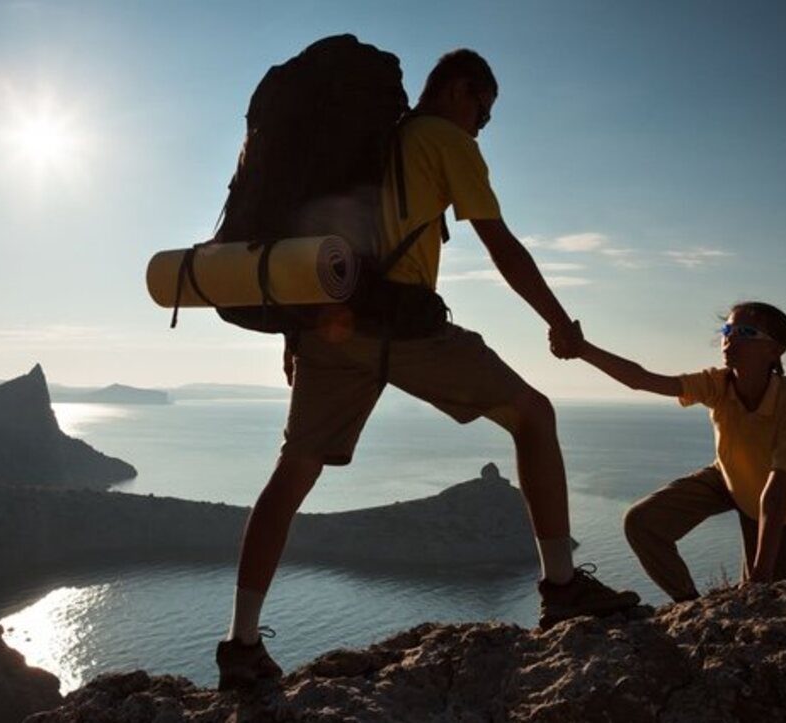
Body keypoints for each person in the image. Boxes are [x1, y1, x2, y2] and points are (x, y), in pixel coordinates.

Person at [215, 48, 640, 692]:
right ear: (460, 90)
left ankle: (240, 646)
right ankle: (561, 586)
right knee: (534, 415)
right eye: (484, 111)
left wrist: (297, 333)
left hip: (332, 327)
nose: (482, 126)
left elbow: (326, 233)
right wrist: (560, 320)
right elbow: (500, 242)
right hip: (406, 328)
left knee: (292, 473)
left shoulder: (368, 144)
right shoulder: (444, 138)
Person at [561, 301, 786, 603]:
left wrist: (760, 576)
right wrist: (583, 349)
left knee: (772, 598)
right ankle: (691, 605)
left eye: (745, 332)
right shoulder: (718, 383)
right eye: (727, 329)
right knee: (642, 522)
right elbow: (642, 380)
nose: (730, 338)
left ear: (774, 350)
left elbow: (776, 493)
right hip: (728, 479)